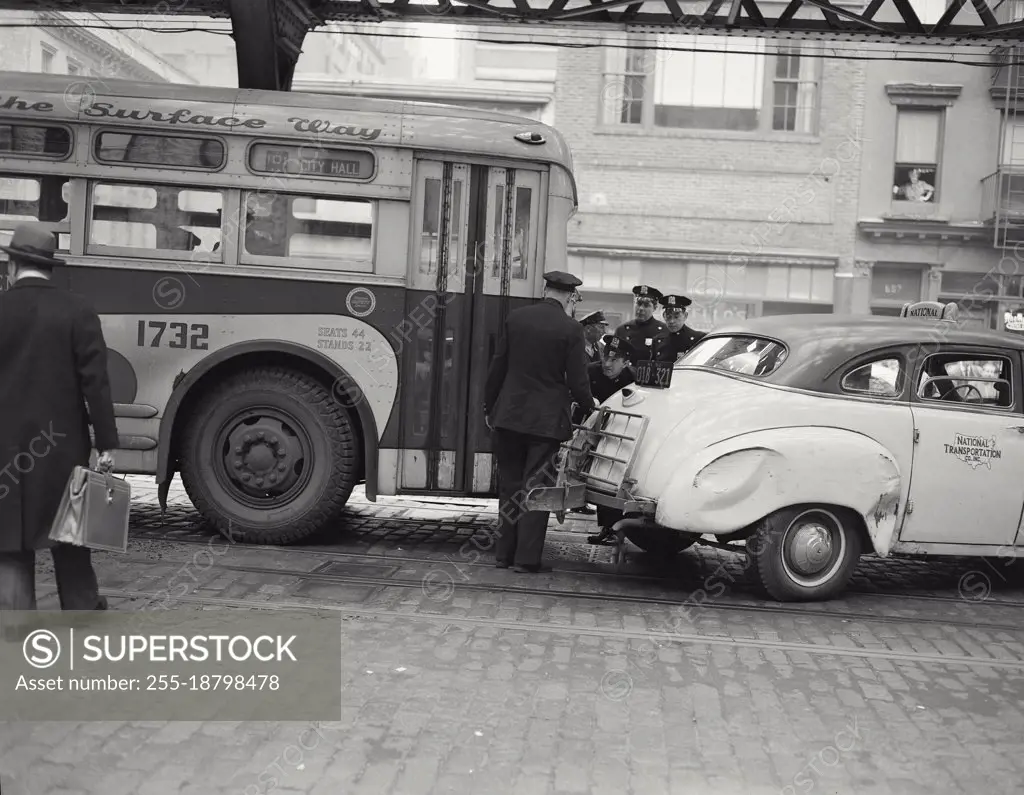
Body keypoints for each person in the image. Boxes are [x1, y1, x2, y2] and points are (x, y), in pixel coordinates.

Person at [0, 223, 118, 611]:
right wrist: (106, 443)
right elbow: (96, 384)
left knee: (11, 539)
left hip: (6, 447)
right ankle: (81, 612)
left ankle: (15, 620)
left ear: (12, 266)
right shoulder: (78, 310)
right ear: (51, 267)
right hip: (62, 447)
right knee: (70, 535)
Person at [484, 270, 595, 573]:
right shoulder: (571, 329)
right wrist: (589, 406)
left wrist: (489, 406)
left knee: (509, 486)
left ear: (546, 289)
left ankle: (503, 555)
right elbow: (577, 380)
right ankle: (526, 559)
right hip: (544, 423)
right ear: (570, 296)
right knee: (536, 489)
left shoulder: (516, 318)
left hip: (508, 415)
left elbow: (498, 366)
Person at [614, 285, 667, 362]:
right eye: (638, 304)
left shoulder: (664, 331)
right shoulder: (622, 330)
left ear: (655, 308)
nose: (641, 308)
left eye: (646, 305)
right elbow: (613, 354)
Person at [653, 294, 706, 363]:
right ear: (664, 316)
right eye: (668, 317)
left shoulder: (697, 339)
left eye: (676, 317)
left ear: (685, 316)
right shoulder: (658, 340)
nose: (672, 321)